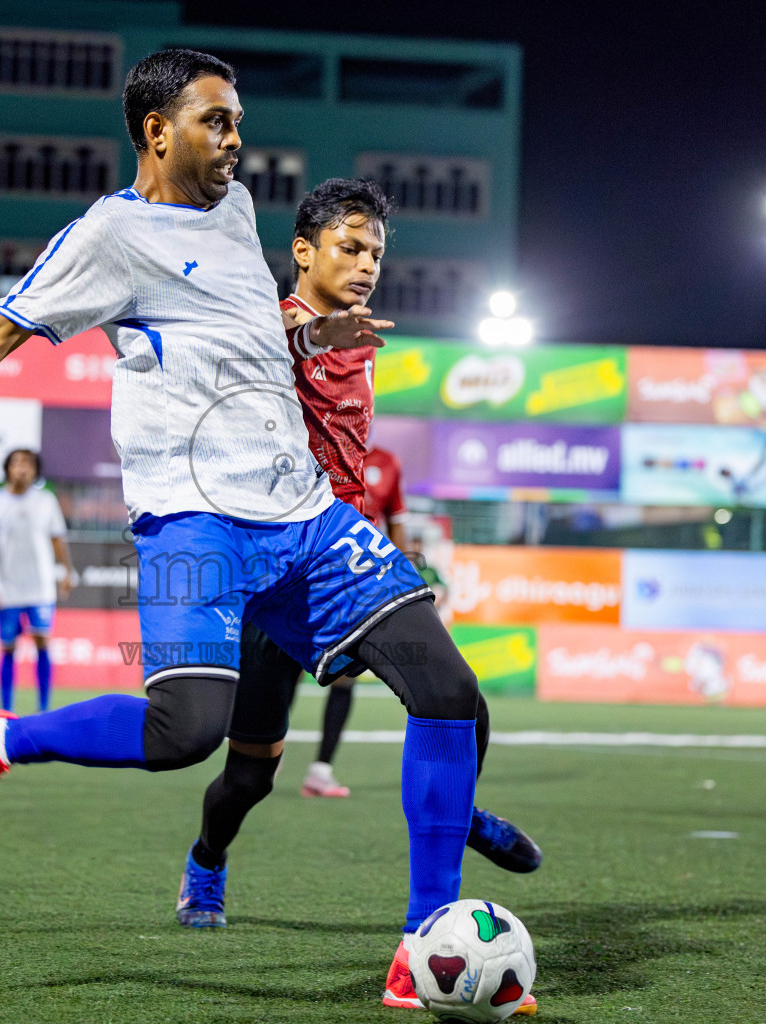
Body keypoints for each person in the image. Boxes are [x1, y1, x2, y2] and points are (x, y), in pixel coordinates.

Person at [0, 49, 513, 1011]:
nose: (236, 140)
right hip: (194, 521)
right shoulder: (108, 236)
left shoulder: (232, 211)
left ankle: (420, 945)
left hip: (304, 512)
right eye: (215, 122)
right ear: (157, 132)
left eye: (236, 121)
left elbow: (234, 333)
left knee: (448, 689)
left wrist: (312, 339)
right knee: (187, 733)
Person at [174, 180, 539, 1010]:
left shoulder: (363, 339)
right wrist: (305, 331)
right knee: (250, 776)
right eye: (349, 246)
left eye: (376, 250)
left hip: (350, 560)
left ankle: (428, 915)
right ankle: (207, 860)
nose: (367, 263)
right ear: (302, 252)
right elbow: (252, 346)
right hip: (277, 574)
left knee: (458, 696)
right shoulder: (274, 327)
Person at [300, 442, 410, 797]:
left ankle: (321, 769)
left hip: (355, 582)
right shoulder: (312, 447)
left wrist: (402, 576)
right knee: (282, 670)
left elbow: (397, 525)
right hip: (303, 574)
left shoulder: (387, 461)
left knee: (347, 673)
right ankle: (268, 750)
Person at [0, 448, 75, 713]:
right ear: (7, 469)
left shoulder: (46, 501)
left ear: (35, 470)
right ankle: (6, 709)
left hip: (40, 588)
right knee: (8, 647)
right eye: (16, 463)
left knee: (42, 642)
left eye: (28, 463)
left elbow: (58, 538)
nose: (22, 468)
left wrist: (67, 571)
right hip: (8, 591)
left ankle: (44, 708)